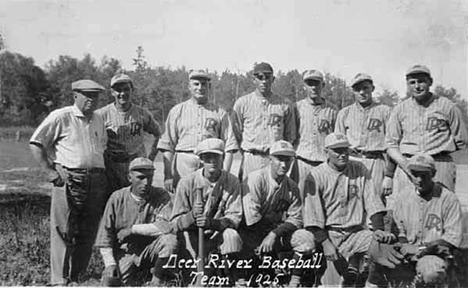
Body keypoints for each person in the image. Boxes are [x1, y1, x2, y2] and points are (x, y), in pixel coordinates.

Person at [29, 79, 108, 285]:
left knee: (89, 229)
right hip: (70, 179)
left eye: (96, 95)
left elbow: (102, 148)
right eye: (87, 95)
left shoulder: (98, 119)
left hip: (96, 180)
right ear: (75, 96)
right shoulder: (61, 116)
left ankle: (77, 275)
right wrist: (50, 171)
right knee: (64, 229)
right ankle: (59, 280)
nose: (92, 99)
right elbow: (36, 143)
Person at [302, 133, 393, 286]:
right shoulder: (315, 175)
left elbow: (373, 202)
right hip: (330, 234)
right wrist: (325, 243)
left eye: (345, 149)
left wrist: (378, 229)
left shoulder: (359, 168)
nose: (342, 154)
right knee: (334, 284)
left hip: (356, 233)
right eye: (337, 150)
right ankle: (343, 268)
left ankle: (372, 281)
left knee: (382, 247)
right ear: (327, 152)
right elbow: (312, 218)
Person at [366, 153, 463, 287]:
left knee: (431, 272)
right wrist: (397, 243)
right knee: (377, 256)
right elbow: (398, 230)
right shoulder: (403, 197)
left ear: (433, 174)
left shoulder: (448, 199)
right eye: (415, 174)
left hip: (433, 255)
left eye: (424, 175)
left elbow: (452, 239)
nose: (419, 179)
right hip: (406, 252)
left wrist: (420, 249)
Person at [385, 64, 468, 209]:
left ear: (430, 82)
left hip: (439, 163)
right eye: (412, 82)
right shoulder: (399, 109)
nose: (417, 86)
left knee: (442, 208)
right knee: (407, 209)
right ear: (407, 85)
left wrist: (442, 154)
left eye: (421, 81)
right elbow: (391, 145)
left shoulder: (448, 106)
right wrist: (405, 165)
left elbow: (462, 141)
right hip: (409, 164)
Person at [170, 138, 243, 286]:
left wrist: (212, 223)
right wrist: (191, 216)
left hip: (217, 234)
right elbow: (175, 222)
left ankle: (233, 275)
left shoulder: (232, 181)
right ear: (201, 159)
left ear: (223, 157)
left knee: (232, 236)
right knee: (197, 280)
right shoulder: (187, 182)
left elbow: (235, 217)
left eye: (216, 156)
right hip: (192, 236)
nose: (213, 161)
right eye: (208, 157)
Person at [241, 140, 314, 287]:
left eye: (288, 159)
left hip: (272, 233)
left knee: (306, 239)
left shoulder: (291, 186)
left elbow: (297, 218)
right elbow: (251, 218)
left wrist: (273, 235)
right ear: (270, 159)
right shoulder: (256, 178)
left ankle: (294, 281)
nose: (284, 164)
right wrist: (271, 240)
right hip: (248, 233)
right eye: (279, 159)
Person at [96, 157, 177, 286]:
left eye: (149, 177)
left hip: (150, 250)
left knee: (170, 240)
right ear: (129, 178)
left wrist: (132, 230)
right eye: (140, 177)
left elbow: (165, 227)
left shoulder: (161, 195)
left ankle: (157, 281)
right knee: (112, 282)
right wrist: (110, 264)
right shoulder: (117, 197)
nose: (145, 182)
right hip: (126, 252)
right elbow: (105, 235)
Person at [158, 70, 238, 192]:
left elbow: (229, 147)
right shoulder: (177, 111)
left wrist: (225, 174)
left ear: (209, 87)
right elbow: (168, 145)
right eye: (196, 84)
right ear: (189, 87)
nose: (200, 88)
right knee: (184, 200)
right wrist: (168, 174)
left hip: (211, 163)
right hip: (184, 162)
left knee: (210, 201)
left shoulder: (220, 113)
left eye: (203, 84)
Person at [97, 71, 161, 193]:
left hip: (136, 165)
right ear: (112, 92)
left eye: (126, 89)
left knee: (137, 199)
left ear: (132, 90)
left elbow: (158, 134)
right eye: (118, 90)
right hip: (112, 167)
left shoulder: (142, 114)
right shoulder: (102, 115)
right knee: (113, 201)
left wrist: (150, 158)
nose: (122, 93)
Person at [233, 62, 296, 179]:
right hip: (252, 157)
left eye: (267, 77)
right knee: (250, 193)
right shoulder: (242, 103)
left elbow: (289, 135)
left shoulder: (284, 104)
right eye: (260, 77)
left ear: (273, 79)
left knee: (275, 193)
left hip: (275, 158)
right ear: (253, 79)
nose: (264, 81)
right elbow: (237, 133)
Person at [336, 73, 392, 200]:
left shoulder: (385, 111)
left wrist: (389, 175)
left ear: (372, 88)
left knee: (376, 201)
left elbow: (392, 145)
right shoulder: (344, 113)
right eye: (357, 89)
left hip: (375, 161)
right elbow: (337, 143)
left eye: (365, 88)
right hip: (351, 161)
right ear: (353, 91)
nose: (361, 92)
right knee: (351, 201)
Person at [291, 69, 337, 195]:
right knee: (300, 199)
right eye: (309, 83)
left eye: (316, 83)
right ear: (304, 86)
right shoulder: (296, 108)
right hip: (302, 162)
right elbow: (290, 136)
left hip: (324, 163)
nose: (313, 87)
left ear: (323, 85)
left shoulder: (332, 110)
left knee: (326, 199)